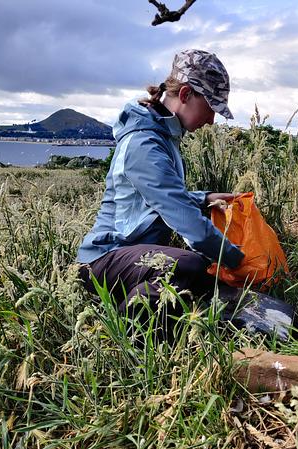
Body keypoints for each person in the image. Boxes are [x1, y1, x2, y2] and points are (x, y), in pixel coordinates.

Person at [76, 49, 244, 337]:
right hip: (103, 260)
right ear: (187, 94)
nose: (212, 121)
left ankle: (157, 323)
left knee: (199, 274)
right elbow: (193, 229)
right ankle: (129, 338)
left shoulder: (160, 134)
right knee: (191, 264)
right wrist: (240, 261)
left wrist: (202, 199)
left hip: (131, 257)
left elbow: (154, 198)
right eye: (211, 107)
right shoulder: (145, 143)